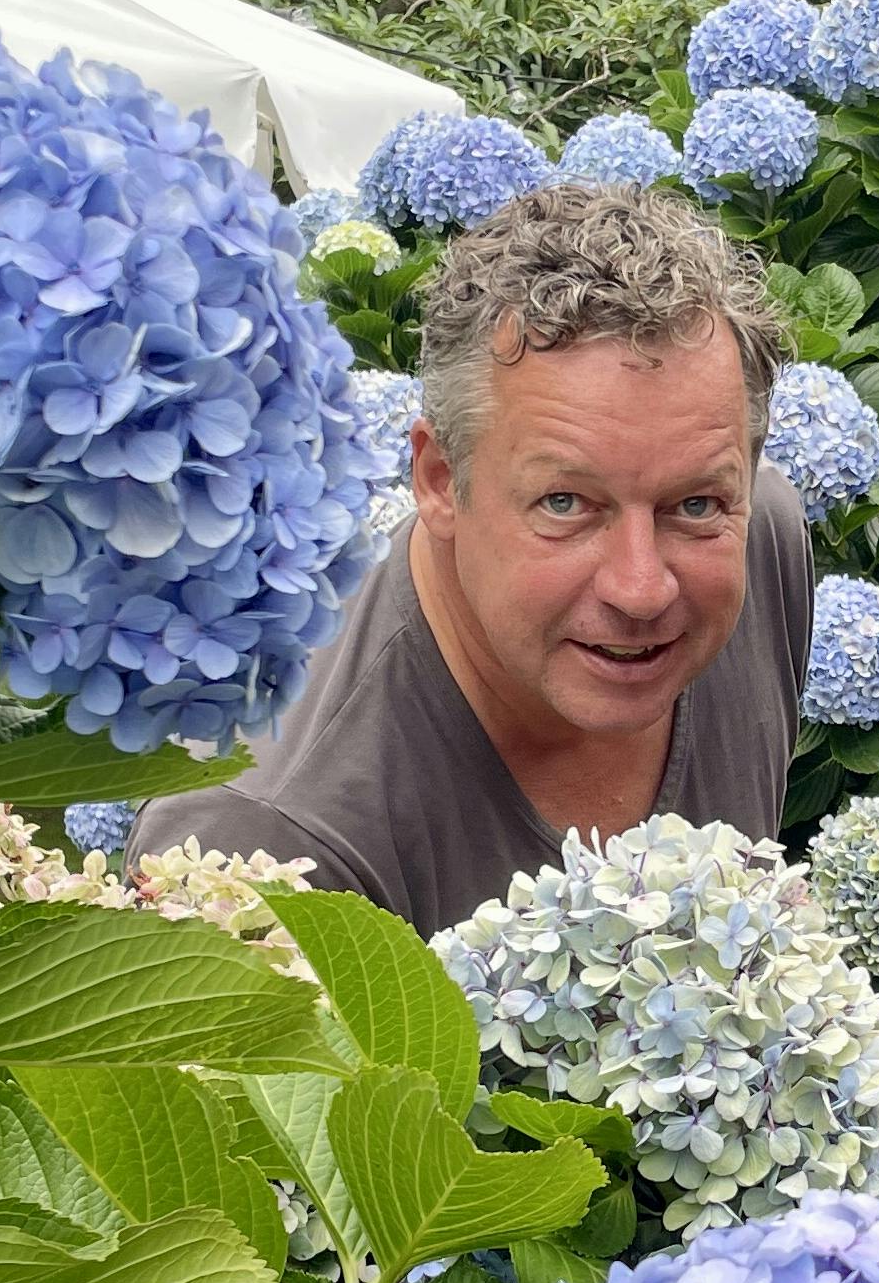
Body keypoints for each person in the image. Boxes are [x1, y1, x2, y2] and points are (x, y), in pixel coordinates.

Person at [131, 184, 813, 937]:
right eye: (565, 503)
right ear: (438, 480)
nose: (642, 588)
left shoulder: (763, 538)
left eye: (695, 504)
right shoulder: (266, 840)